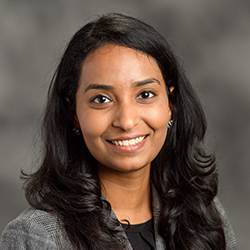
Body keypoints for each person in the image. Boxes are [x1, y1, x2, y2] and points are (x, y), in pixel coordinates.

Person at [0, 13, 237, 250]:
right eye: (101, 99)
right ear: (74, 113)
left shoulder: (203, 215)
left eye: (145, 95)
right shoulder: (37, 235)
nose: (126, 121)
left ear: (170, 104)